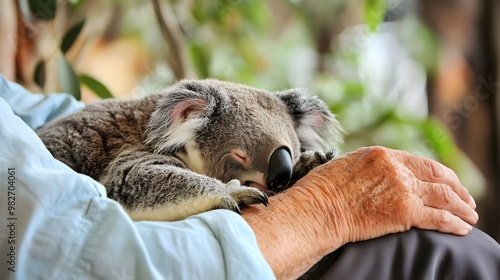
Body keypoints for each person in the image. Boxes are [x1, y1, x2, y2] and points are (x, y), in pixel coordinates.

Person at [0, 74, 499, 280]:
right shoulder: (147, 150)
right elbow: (121, 193)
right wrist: (318, 208)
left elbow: (33, 108)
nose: (261, 180)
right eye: (240, 157)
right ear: (189, 119)